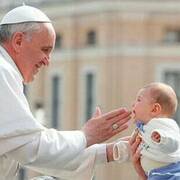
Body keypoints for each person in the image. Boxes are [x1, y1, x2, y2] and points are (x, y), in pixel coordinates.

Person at [0, 5, 131, 180]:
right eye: (45, 50)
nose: (47, 61)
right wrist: (86, 136)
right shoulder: (2, 71)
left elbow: (24, 149)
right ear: (18, 41)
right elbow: (31, 147)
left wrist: (107, 152)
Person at [113, 82, 180, 180]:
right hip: (154, 174)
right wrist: (119, 147)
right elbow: (136, 144)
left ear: (154, 109)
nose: (133, 104)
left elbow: (175, 143)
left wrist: (162, 138)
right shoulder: (146, 128)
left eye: (139, 100)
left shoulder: (164, 125)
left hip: (170, 172)